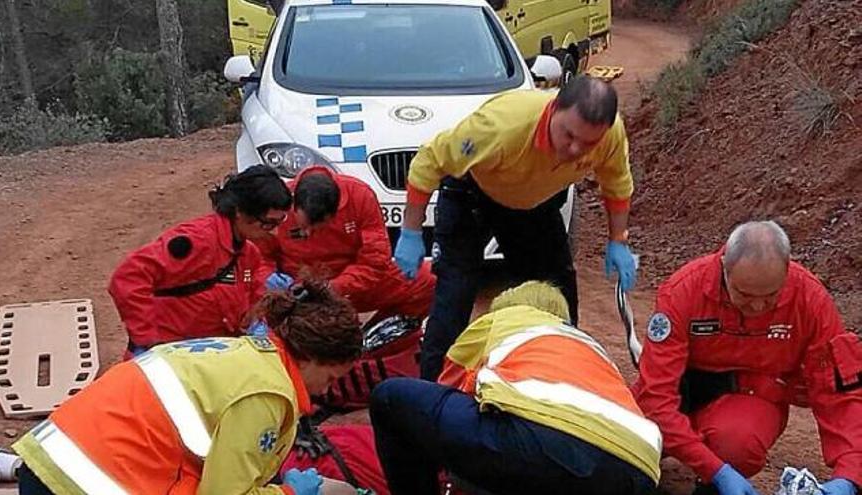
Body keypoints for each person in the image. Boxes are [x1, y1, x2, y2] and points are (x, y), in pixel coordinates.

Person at [13, 279, 363, 495]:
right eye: (330, 378)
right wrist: (289, 493)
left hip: (53, 459)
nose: (324, 392)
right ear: (309, 358)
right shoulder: (267, 392)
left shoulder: (247, 353)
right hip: (85, 483)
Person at [394, 75, 638, 380]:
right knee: (454, 297)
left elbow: (617, 184)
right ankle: (430, 394)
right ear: (554, 109)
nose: (575, 149)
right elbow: (428, 162)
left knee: (558, 299)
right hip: (472, 195)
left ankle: (556, 382)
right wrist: (411, 232)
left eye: (588, 143)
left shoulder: (610, 135)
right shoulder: (500, 127)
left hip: (534, 203)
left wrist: (619, 240)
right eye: (568, 135)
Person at [633, 221, 862, 495]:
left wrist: (848, 477)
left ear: (787, 274)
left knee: (738, 444)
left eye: (770, 297)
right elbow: (656, 396)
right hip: (683, 391)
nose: (756, 306)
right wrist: (716, 470)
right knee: (624, 445)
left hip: (750, 399)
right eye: (744, 294)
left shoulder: (810, 302)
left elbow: (841, 394)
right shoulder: (685, 291)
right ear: (723, 268)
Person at [369, 281, 662, 495]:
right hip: (639, 470)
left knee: (391, 399)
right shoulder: (590, 347)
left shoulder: (505, 319)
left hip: (541, 444)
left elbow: (448, 388)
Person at [109, 165, 292, 357]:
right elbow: (128, 278)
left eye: (280, 222)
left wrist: (259, 318)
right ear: (240, 211)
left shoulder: (248, 255)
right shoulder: (196, 242)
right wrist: (148, 342)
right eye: (268, 223)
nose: (274, 231)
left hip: (208, 356)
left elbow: (252, 293)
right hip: (169, 357)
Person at [258, 166, 435, 320]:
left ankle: (376, 342)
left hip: (353, 287)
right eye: (303, 228)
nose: (308, 234)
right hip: (298, 292)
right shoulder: (278, 206)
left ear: (336, 211)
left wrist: (335, 287)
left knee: (431, 277)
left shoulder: (359, 196)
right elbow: (258, 259)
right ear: (293, 204)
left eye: (317, 228)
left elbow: (375, 261)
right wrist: (271, 280)